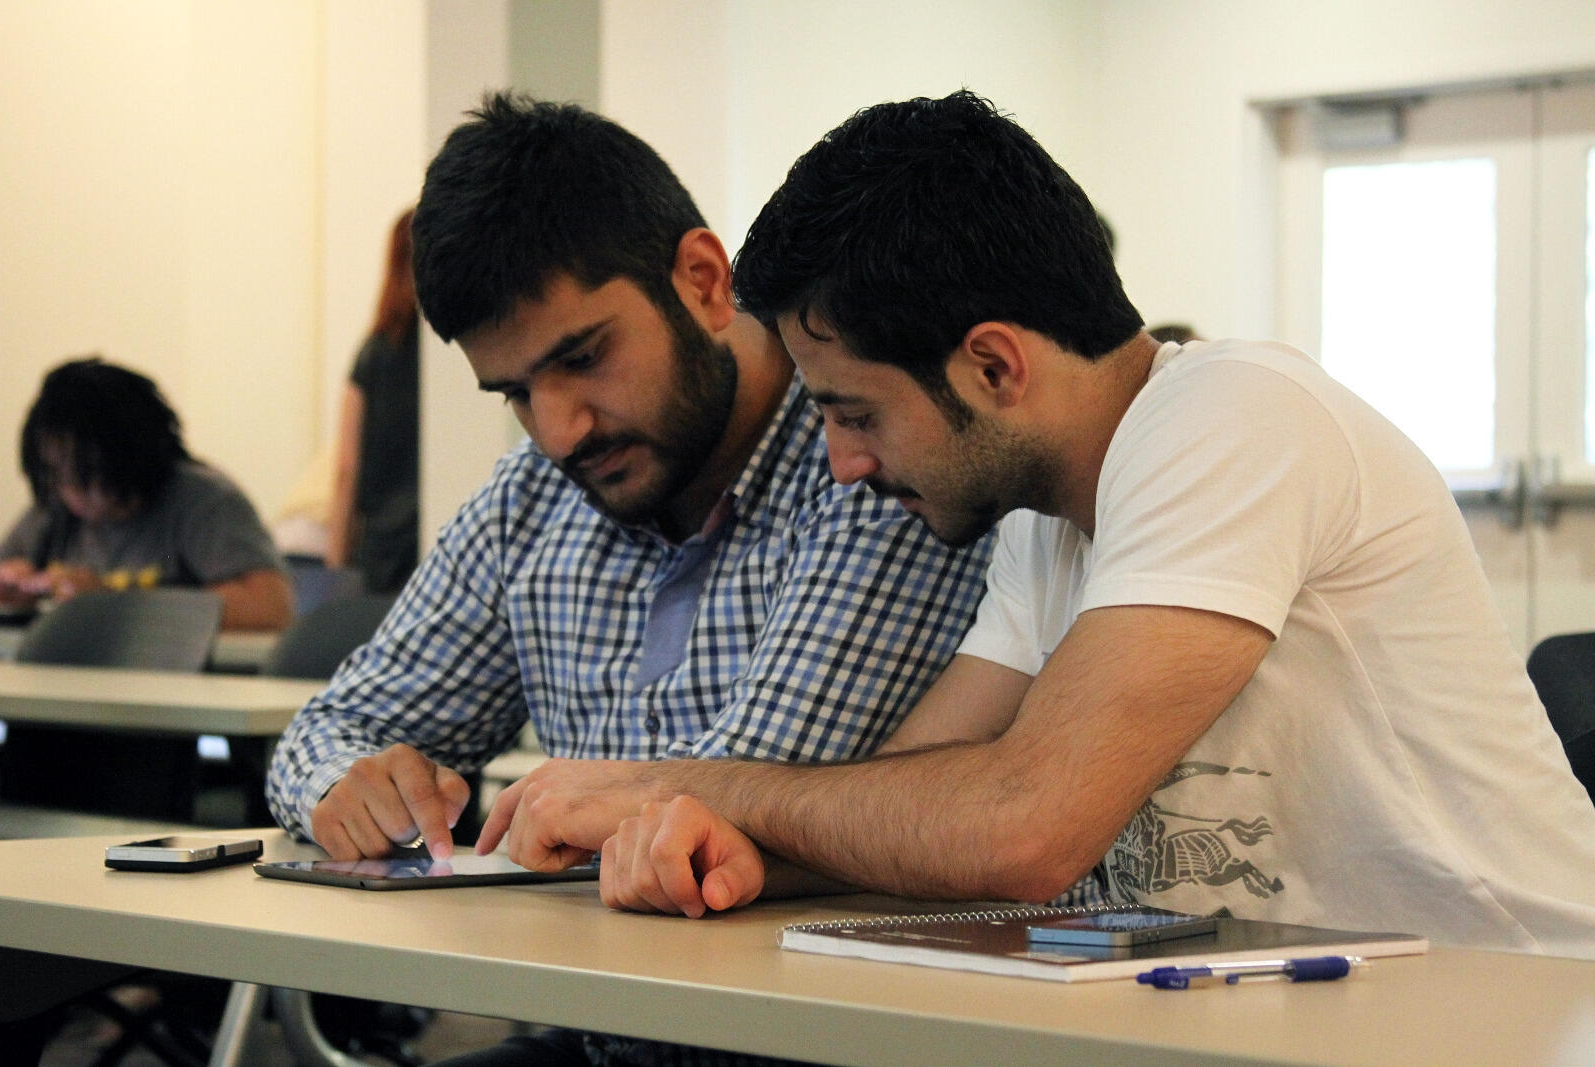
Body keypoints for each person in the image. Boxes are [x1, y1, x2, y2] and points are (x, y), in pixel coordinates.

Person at [500, 90, 1595, 961]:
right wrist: (728, 848)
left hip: (1511, 1010)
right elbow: (923, 790)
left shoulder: (1237, 417)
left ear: (992, 364)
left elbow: (1023, 827)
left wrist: (677, 787)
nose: (841, 463)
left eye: (854, 411)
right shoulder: (1044, 521)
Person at [264, 94, 992, 1066]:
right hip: (619, 1037)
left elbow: (741, 800)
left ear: (701, 279)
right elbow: (323, 731)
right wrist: (349, 789)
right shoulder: (537, 497)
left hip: (814, 1042)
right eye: (516, 391)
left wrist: (593, 806)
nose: (560, 428)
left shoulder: (864, 457)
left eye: (582, 356)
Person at [0, 357, 291, 630]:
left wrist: (111, 603)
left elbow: (269, 609)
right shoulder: (54, 508)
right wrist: (10, 586)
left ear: (134, 454)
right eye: (59, 476)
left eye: (92, 473)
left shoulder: (203, 501)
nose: (77, 494)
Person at [324, 208, 421, 595]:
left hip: (381, 551)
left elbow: (346, 466)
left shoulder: (374, 352)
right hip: (435, 539)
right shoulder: (455, 356)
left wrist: (335, 561)